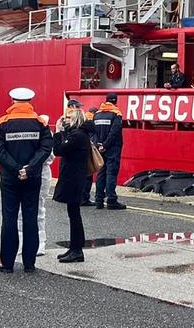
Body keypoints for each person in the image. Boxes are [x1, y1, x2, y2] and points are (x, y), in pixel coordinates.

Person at [0, 87, 52, 273]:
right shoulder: (40, 123)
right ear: (30, 101)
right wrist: (30, 168)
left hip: (10, 179)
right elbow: (46, 148)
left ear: (12, 101)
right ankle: (29, 263)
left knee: (9, 219)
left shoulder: (3, 123)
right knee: (30, 218)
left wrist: (16, 168)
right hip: (32, 178)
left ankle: (7, 264)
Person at [52, 106, 92, 263]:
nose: (64, 120)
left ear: (75, 119)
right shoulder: (79, 135)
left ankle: (77, 250)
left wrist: (58, 131)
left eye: (68, 118)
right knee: (73, 213)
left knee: (74, 215)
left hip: (74, 178)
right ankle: (75, 247)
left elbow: (58, 150)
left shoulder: (77, 136)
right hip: (76, 177)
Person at [91, 93, 126, 210]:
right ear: (115, 102)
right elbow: (114, 132)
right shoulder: (116, 114)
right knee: (111, 174)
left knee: (101, 174)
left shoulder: (97, 114)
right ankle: (111, 200)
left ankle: (98, 200)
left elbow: (93, 132)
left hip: (100, 148)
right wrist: (106, 145)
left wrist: (99, 145)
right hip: (112, 148)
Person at [36, 114, 53, 255]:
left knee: (38, 208)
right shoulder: (46, 135)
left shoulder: (48, 136)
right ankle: (31, 241)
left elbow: (51, 156)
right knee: (33, 209)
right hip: (38, 171)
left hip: (41, 171)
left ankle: (40, 242)